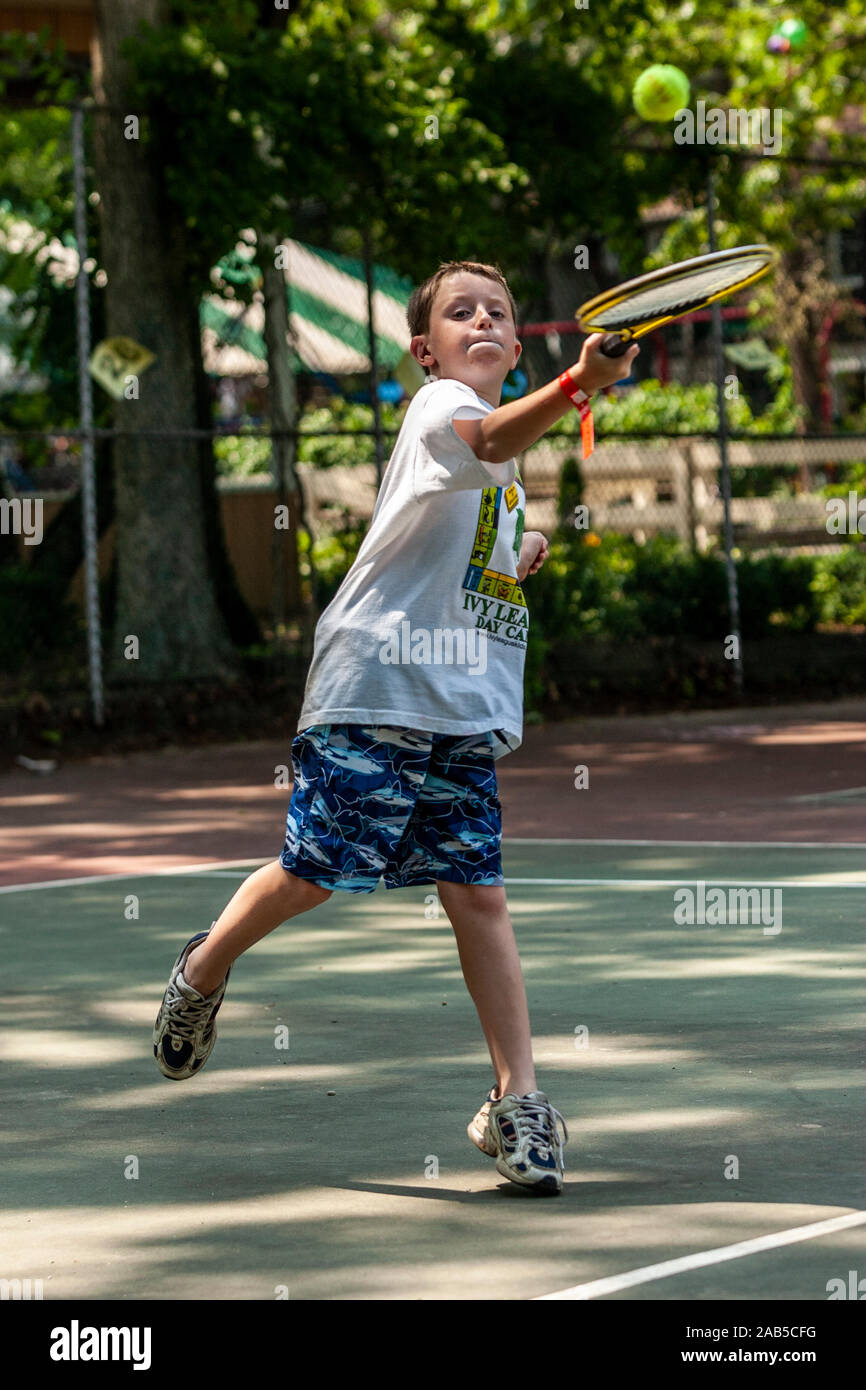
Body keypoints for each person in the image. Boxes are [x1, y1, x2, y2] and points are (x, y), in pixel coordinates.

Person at [153, 259, 638, 1194]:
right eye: (462, 313)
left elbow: (473, 518)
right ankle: (202, 971)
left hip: (458, 711)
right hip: (375, 691)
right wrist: (579, 382)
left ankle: (519, 1101)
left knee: (478, 894)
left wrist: (519, 548)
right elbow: (487, 431)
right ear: (428, 349)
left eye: (499, 310)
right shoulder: (440, 409)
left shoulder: (499, 455)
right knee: (311, 876)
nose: (484, 320)